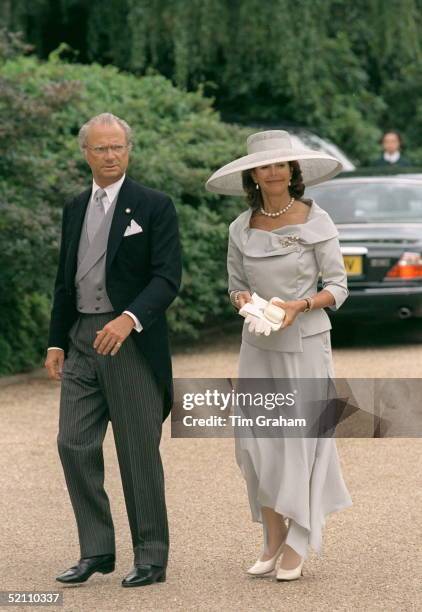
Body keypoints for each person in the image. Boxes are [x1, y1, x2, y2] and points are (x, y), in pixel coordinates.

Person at [206, 130, 353, 581]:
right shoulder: (239, 227)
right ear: (254, 174)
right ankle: (271, 538)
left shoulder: (317, 222)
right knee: (256, 443)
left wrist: (299, 306)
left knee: (299, 442)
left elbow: (338, 288)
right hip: (258, 347)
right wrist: (244, 300)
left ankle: (299, 537)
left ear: (293, 171)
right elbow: (234, 284)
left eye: (280, 164)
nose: (272, 171)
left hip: (305, 347)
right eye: (263, 165)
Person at [45, 113, 182, 587]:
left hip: (131, 341)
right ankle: (97, 550)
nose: (110, 156)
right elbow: (64, 280)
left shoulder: (154, 206)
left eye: (118, 147)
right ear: (86, 153)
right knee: (73, 443)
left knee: (137, 451)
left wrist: (129, 319)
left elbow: (167, 278)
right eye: (101, 148)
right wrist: (56, 340)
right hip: (82, 338)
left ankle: (151, 556)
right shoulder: (74, 207)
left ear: (129, 149)